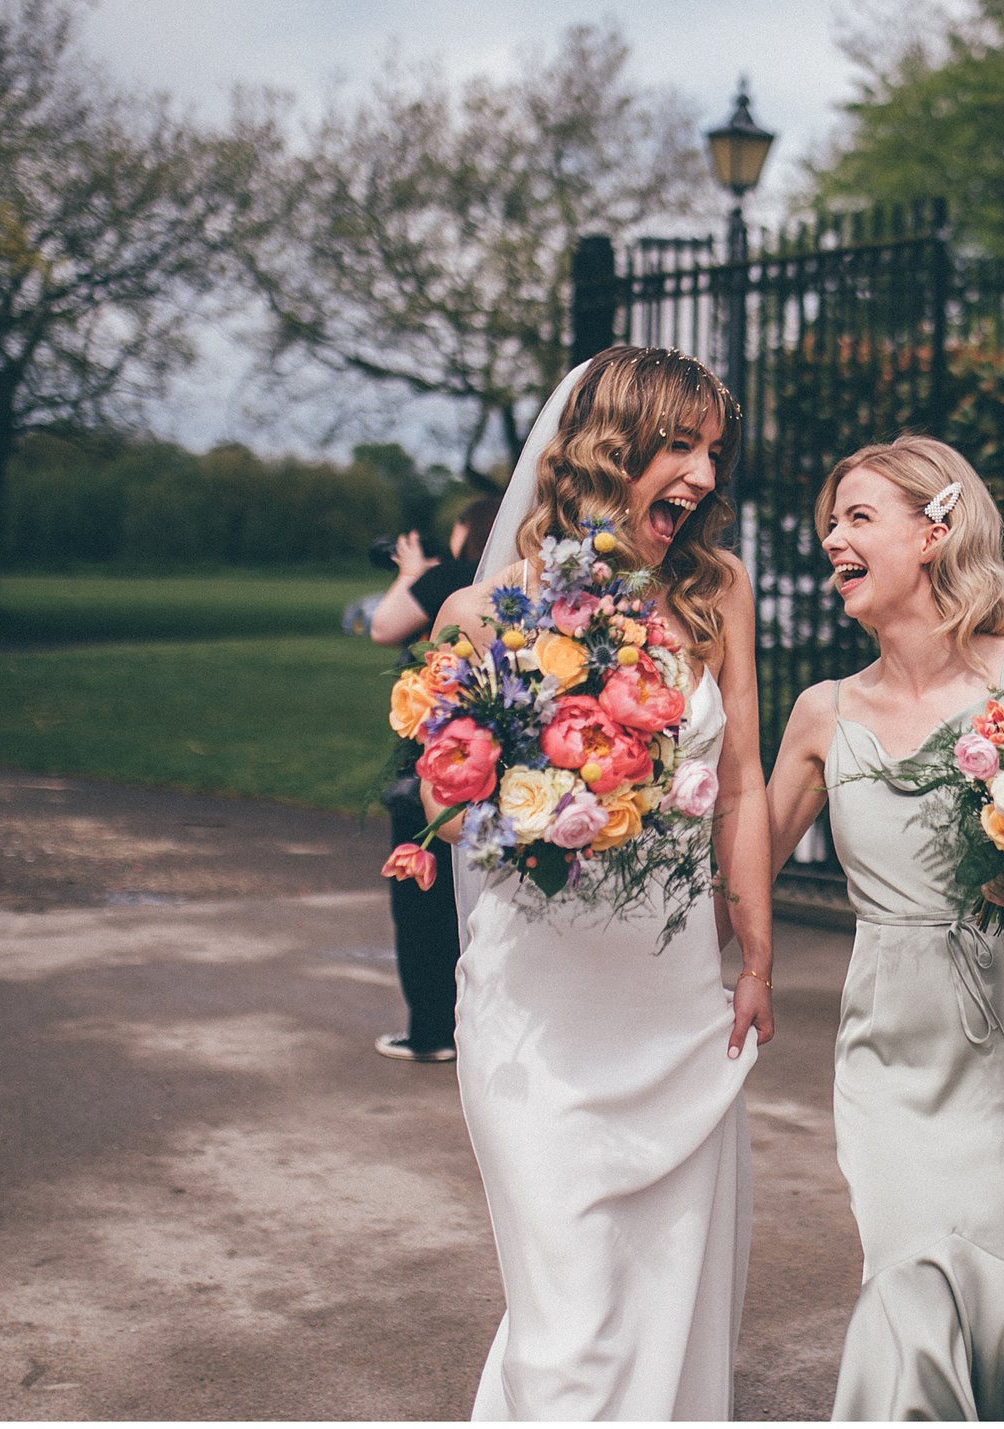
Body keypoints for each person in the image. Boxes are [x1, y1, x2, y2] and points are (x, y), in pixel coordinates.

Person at [425, 347, 774, 1420]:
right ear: (607, 448)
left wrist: (756, 950)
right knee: (570, 1323)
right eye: (680, 445)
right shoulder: (480, 617)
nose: (704, 475)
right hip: (540, 1018)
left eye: (713, 451)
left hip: (673, 1005)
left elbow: (744, 784)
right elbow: (449, 806)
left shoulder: (715, 597)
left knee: (664, 1298)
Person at [765, 434, 1004, 1421]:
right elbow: (735, 872)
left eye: (857, 517)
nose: (832, 537)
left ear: (933, 533)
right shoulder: (821, 714)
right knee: (908, 1271)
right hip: (890, 1039)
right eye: (831, 521)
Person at [368, 493, 501, 1063]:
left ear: (465, 530)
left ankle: (430, 1029)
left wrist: (409, 574)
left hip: (439, 763)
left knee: (422, 908)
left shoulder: (451, 578)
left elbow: (383, 626)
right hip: (496, 766)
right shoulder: (513, 584)